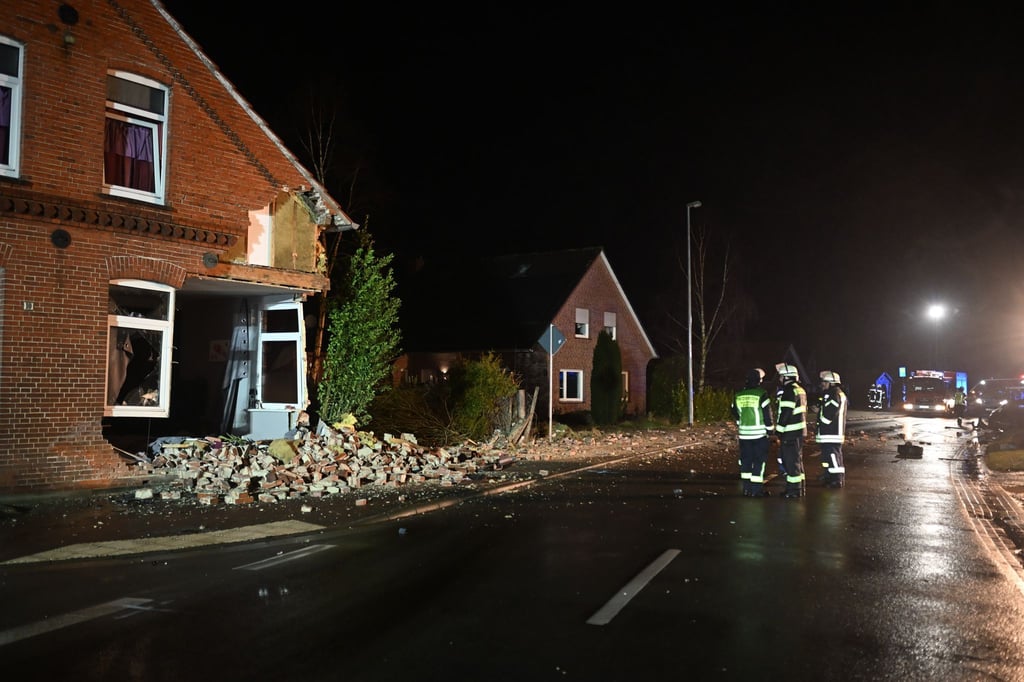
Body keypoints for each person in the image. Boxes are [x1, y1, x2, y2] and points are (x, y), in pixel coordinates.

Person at [732, 368, 775, 497]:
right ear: (759, 381)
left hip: (744, 434)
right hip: (759, 435)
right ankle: (756, 490)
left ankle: (746, 489)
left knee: (746, 461)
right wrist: (770, 430)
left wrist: (741, 423)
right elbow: (768, 415)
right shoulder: (762, 394)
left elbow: (734, 411)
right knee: (758, 461)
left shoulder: (739, 394)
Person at [774, 362, 808, 498]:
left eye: (781, 376)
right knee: (797, 461)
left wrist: (779, 431)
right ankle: (800, 488)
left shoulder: (789, 391)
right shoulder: (800, 389)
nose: (780, 379)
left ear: (786, 377)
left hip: (790, 432)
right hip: (798, 432)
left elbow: (786, 412)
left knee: (791, 462)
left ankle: (794, 491)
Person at [815, 370, 848, 488]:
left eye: (824, 382)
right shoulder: (833, 394)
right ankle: (828, 475)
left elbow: (828, 415)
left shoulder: (835, 394)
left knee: (833, 456)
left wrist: (819, 417)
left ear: (832, 383)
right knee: (827, 456)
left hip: (831, 432)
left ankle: (837, 479)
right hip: (829, 432)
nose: (822, 384)